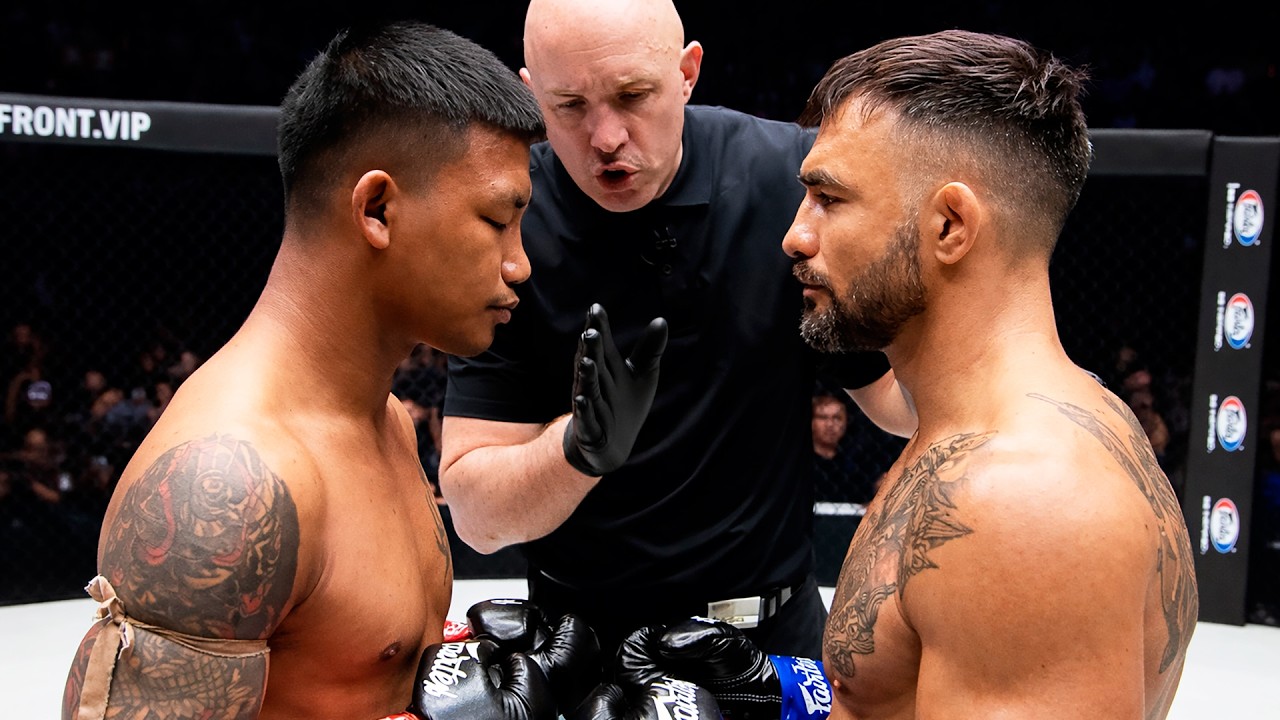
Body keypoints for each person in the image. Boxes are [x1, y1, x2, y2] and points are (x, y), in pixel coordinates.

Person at [618, 29, 1200, 720]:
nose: (795, 236)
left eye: (829, 198)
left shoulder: (1022, 503)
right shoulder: (1009, 431)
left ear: (950, 225)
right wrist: (774, 698)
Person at [60, 20, 559, 720]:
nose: (519, 264)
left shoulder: (386, 420)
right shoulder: (228, 485)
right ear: (377, 209)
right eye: (497, 220)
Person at [439, 0, 916, 663]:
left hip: (769, 639)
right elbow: (476, 517)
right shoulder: (508, 220)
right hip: (583, 650)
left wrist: (956, 314)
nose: (606, 137)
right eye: (569, 106)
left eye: (633, 96)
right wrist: (578, 450)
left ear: (687, 73)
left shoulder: (789, 182)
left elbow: (898, 405)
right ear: (531, 96)